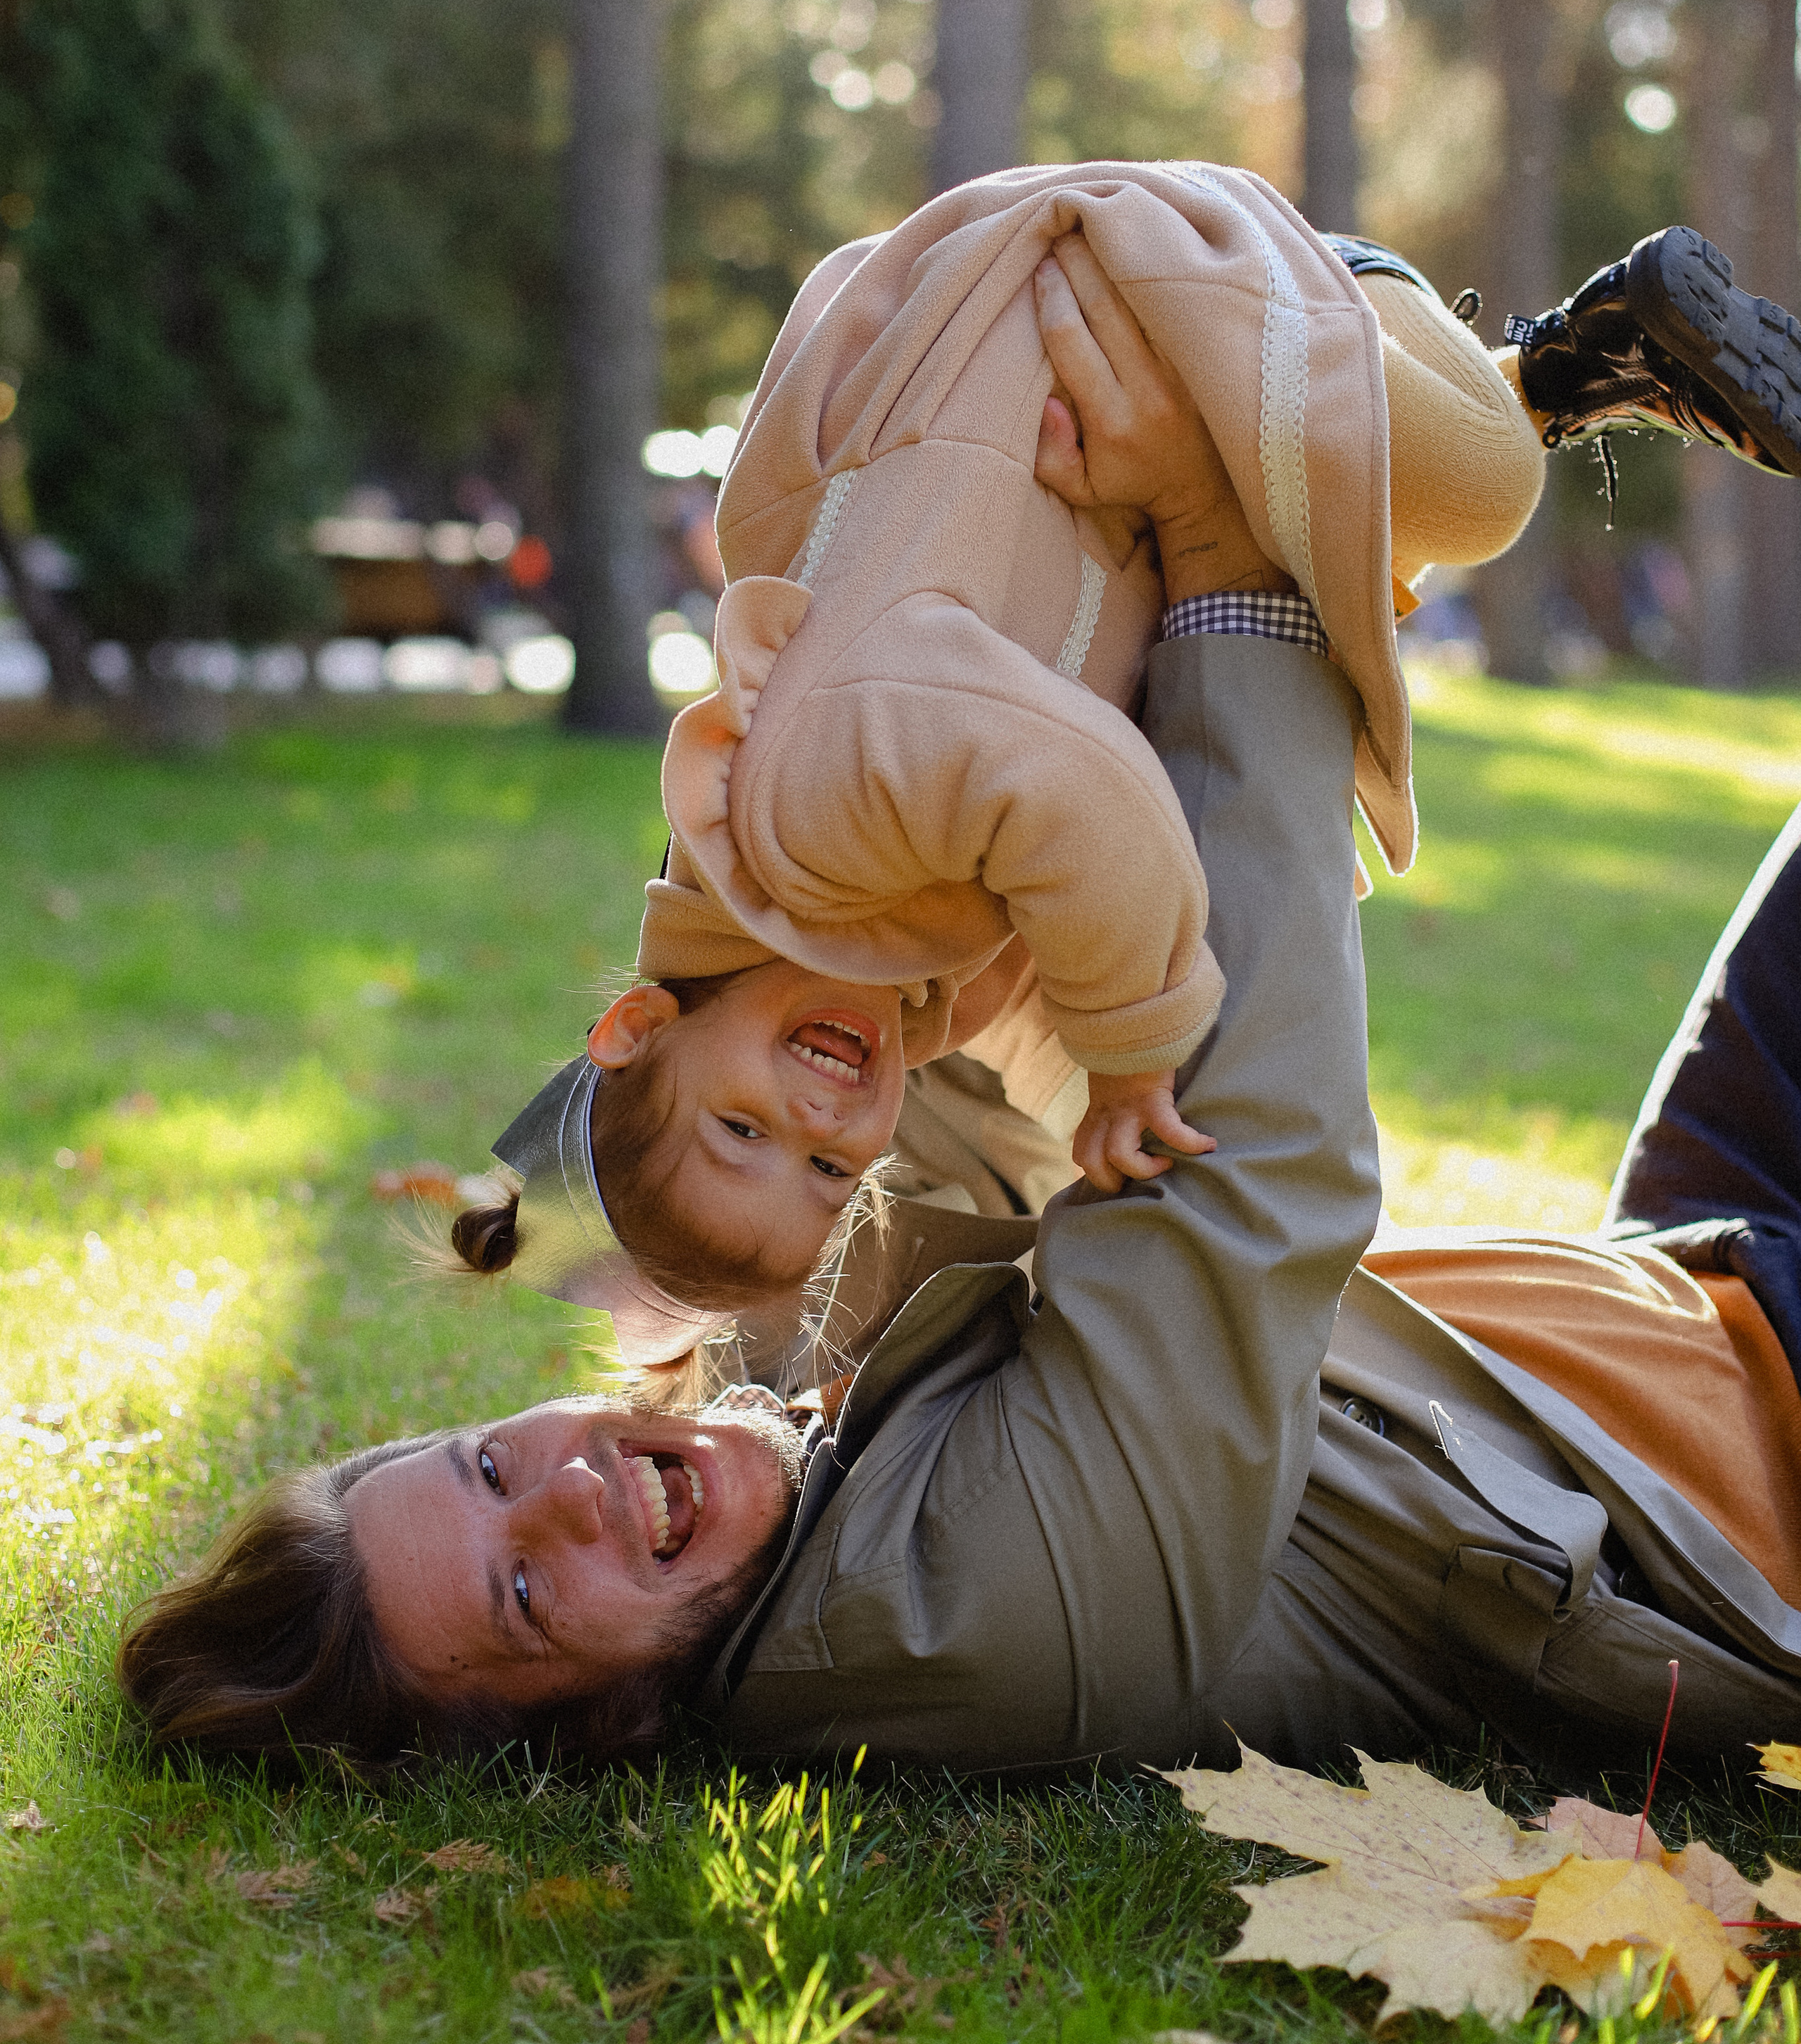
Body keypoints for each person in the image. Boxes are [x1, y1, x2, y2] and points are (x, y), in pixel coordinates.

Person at [117, 233, 1801, 1777]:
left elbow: (805, 1060)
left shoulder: (762, 1446)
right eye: (522, 1599)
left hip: (1665, 1278)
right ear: (600, 1727)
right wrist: (1222, 547)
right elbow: (1249, 1179)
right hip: (1748, 1479)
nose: (571, 1491)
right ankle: (1399, 380)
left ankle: (1435, 381)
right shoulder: (955, 1618)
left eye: (487, 1467)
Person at [452, 179, 1801, 1352]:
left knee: (1482, 486)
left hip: (1106, 308)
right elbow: (1051, 987)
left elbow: (1072, 796)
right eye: (821, 1172)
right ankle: (1537, 363)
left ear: (636, 1028)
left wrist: (1132, 1055)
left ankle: (1449, 331)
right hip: (1103, 393)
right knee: (1392, 513)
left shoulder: (801, 821)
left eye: (743, 1128)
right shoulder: (883, 963)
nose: (817, 1116)